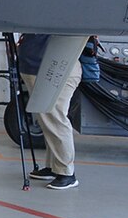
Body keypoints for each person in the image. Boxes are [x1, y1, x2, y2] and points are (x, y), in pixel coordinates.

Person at [14, 34, 82, 190]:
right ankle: (54, 167)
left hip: (56, 70)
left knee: (55, 118)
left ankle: (66, 173)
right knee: (47, 120)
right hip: (40, 69)